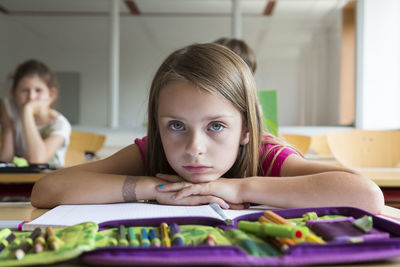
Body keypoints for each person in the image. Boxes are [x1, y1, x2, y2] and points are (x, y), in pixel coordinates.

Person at [31, 43, 383, 214]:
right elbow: (48, 190)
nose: (193, 147)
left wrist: (236, 188)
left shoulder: (265, 153)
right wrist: (153, 188)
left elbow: (364, 194)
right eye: (176, 126)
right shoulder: (150, 152)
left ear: (246, 129)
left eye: (216, 126)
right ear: (157, 125)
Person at [0, 59, 71, 166]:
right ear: (13, 94)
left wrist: (27, 112)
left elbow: (37, 159)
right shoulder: (10, 109)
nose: (31, 97)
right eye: (24, 90)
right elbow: (6, 157)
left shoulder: (61, 125)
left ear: (51, 94)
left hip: (50, 179)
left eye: (38, 90)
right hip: (19, 177)